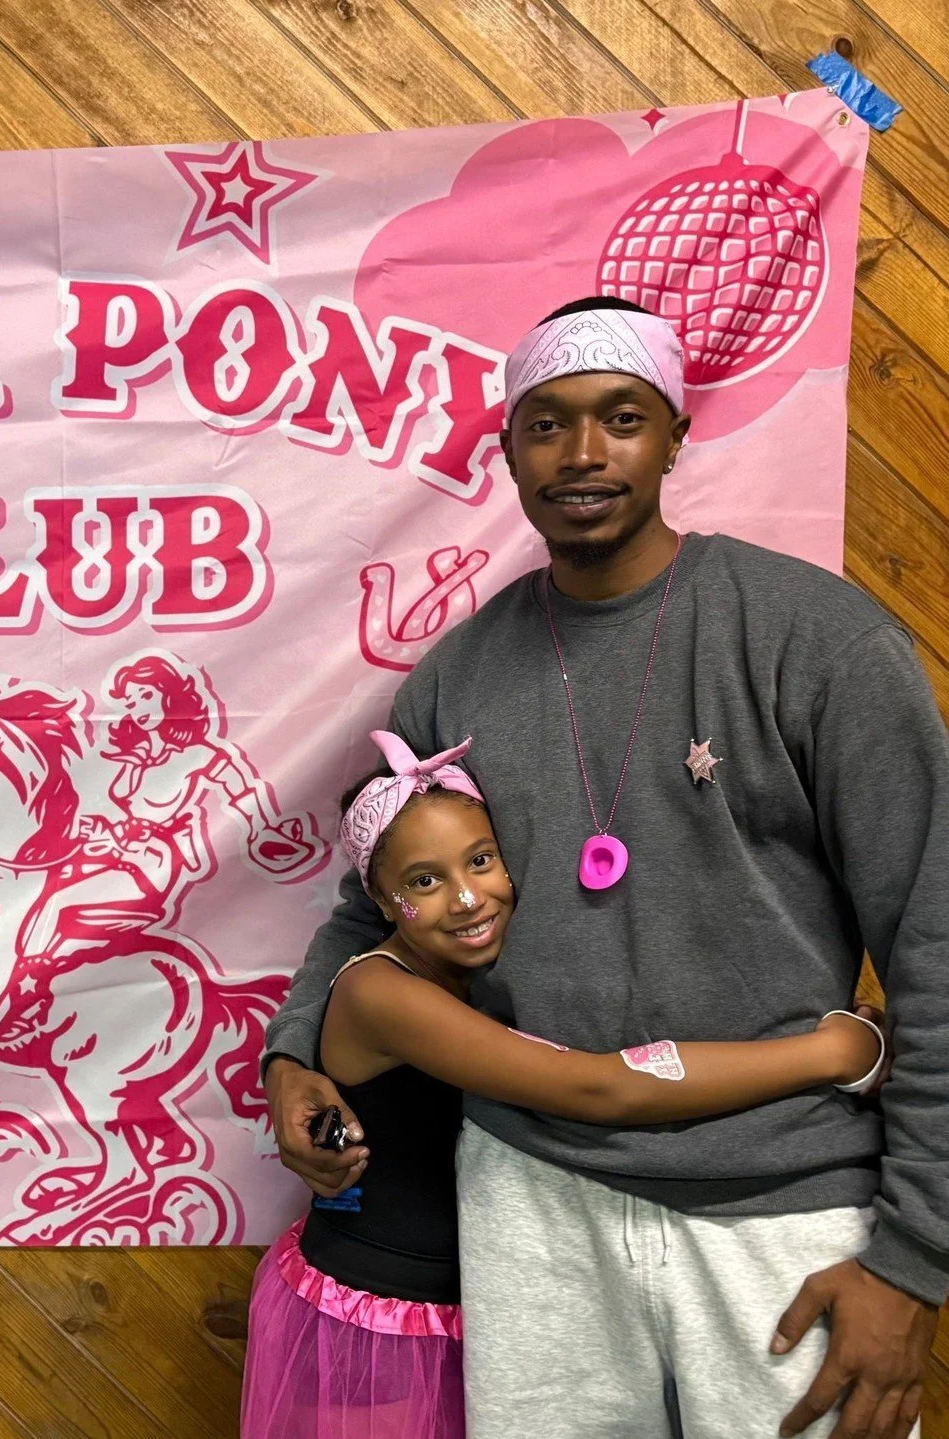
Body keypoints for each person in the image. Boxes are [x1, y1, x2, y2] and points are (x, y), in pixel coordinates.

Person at [264, 297, 949, 1439]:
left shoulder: (817, 641)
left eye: (621, 418)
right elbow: (366, 908)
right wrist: (296, 1050)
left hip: (783, 1202)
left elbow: (936, 940)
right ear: (509, 450)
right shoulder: (460, 672)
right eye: (548, 424)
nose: (584, 454)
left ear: (676, 433)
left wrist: (917, 1255)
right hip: (532, 1199)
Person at [241, 730, 886, 1439]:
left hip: (477, 1311)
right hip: (383, 1321)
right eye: (425, 880)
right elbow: (599, 1089)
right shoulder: (381, 993)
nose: (465, 897)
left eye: (481, 861)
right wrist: (826, 1053)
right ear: (383, 900)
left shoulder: (474, 972)